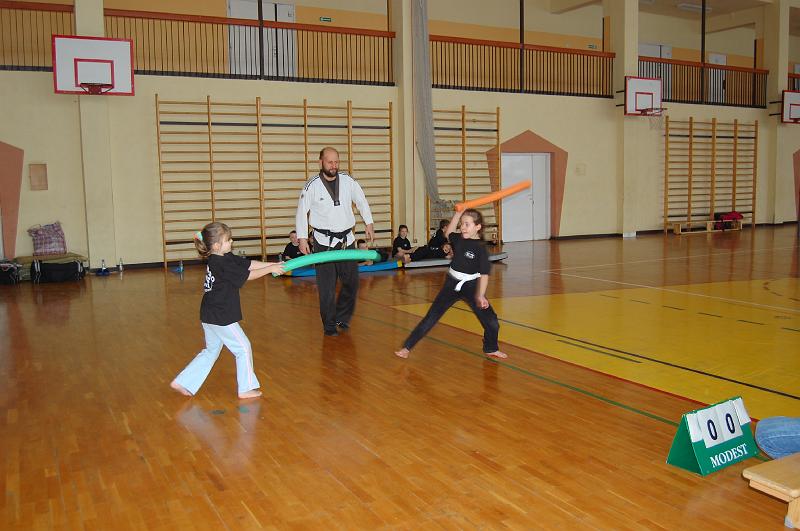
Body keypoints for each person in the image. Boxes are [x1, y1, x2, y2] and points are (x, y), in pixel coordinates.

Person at [170, 222, 284, 399]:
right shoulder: (220, 264)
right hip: (221, 315)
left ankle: (183, 382)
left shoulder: (224, 257)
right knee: (243, 347)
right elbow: (247, 276)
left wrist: (273, 264)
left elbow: (248, 265)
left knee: (211, 351)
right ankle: (246, 388)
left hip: (210, 314)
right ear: (217, 245)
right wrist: (270, 269)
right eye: (228, 240)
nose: (232, 241)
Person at [395, 209, 507, 360]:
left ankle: (491, 348)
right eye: (462, 224)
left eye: (467, 224)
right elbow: (448, 233)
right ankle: (407, 347)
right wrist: (458, 214)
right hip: (451, 284)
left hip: (472, 287)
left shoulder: (481, 248)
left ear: (478, 227)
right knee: (431, 317)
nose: (463, 227)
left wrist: (481, 295)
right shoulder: (458, 239)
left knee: (492, 322)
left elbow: (484, 274)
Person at [296, 147, 374, 336]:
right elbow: (301, 212)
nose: (334, 165)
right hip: (324, 243)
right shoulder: (312, 186)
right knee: (327, 288)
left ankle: (342, 317)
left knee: (352, 283)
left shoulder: (348, 181)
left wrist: (369, 223)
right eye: (330, 162)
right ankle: (329, 325)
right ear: (320, 162)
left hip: (347, 241)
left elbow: (361, 200)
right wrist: (302, 238)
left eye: (336, 162)